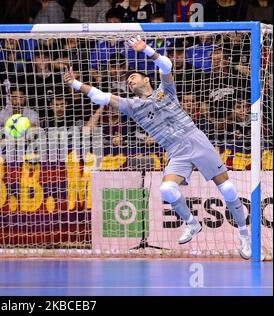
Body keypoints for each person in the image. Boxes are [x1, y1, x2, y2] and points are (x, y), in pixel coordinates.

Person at [63, 36, 251, 260]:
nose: (130, 82)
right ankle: (192, 223)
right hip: (176, 151)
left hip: (196, 140)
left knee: (228, 188)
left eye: (134, 77)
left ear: (147, 80)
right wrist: (74, 83)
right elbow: (101, 97)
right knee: (166, 190)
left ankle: (244, 235)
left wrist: (146, 50)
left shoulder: (166, 90)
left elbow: (166, 65)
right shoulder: (132, 106)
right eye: (128, 82)